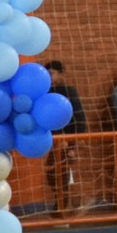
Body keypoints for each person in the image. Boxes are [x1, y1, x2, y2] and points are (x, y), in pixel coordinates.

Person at [46, 60, 85, 212]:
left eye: (52, 73)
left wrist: (72, 143)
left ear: (61, 74)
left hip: (67, 141)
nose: (49, 77)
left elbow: (79, 117)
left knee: (64, 174)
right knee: (53, 173)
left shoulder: (69, 91)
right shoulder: (45, 92)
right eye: (47, 73)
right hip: (54, 140)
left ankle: (65, 206)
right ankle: (61, 204)